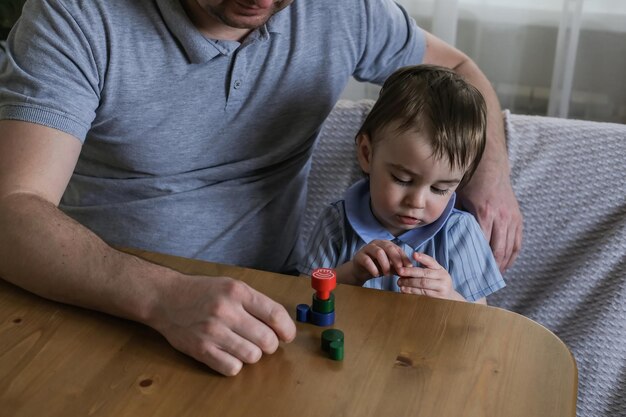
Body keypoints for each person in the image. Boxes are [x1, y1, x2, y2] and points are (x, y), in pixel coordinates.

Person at [0, 0, 521, 375]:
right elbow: (12, 210)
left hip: (267, 320)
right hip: (103, 312)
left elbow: (456, 68)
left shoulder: (339, 11)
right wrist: (163, 296)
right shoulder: (76, 15)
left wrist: (489, 177)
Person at [299, 64, 505, 304]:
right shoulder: (336, 223)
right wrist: (351, 274)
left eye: (440, 189)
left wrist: (449, 297)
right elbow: (302, 297)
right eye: (402, 179)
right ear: (367, 154)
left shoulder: (461, 233)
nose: (416, 202)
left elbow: (480, 322)